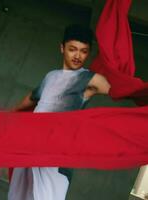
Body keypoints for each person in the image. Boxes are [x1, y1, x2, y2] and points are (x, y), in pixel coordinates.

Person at [8, 24, 111, 200]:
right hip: (30, 148)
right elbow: (32, 99)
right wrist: (9, 116)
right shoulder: (51, 76)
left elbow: (114, 87)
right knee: (18, 196)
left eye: (84, 51)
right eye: (72, 49)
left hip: (55, 158)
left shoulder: (88, 79)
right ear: (62, 48)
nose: (78, 56)